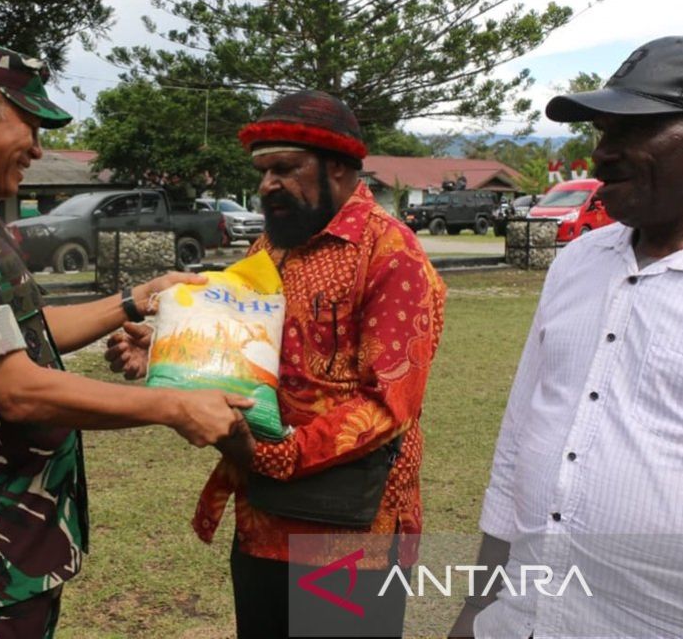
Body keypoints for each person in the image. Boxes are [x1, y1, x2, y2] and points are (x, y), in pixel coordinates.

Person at [0, 42, 252, 638]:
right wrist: (175, 406)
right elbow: (16, 389)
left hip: (11, 529)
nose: (37, 148)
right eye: (29, 125)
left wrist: (137, 297)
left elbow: (19, 336)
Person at [109, 91, 447, 638]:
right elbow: (241, 345)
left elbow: (389, 405)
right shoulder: (269, 248)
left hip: (352, 531)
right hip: (264, 518)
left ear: (338, 167)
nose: (268, 185)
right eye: (263, 171)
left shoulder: (392, 255)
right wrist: (168, 348)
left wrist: (271, 455)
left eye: (285, 169)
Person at [449, 36, 683, 639]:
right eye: (601, 132)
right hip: (525, 620)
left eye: (631, 130)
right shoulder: (578, 262)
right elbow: (519, 440)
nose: (601, 155)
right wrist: (479, 606)